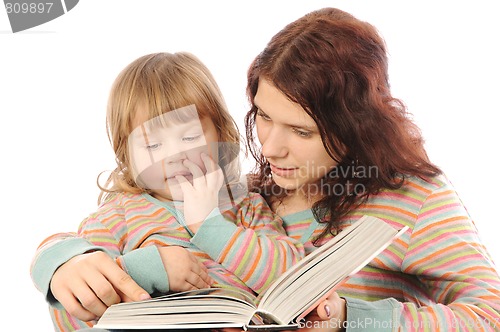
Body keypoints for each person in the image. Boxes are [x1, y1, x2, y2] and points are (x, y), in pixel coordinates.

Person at [237, 6, 500, 331]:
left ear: (355, 127)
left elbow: (490, 317)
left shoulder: (414, 200)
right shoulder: (246, 195)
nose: (269, 148)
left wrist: (350, 317)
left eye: (301, 131)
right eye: (264, 116)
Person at [30, 52, 305, 331]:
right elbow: (75, 316)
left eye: (190, 137)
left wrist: (210, 226)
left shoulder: (245, 205)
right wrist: (150, 269)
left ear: (221, 135)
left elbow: (295, 280)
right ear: (126, 154)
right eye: (152, 146)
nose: (175, 154)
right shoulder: (114, 220)